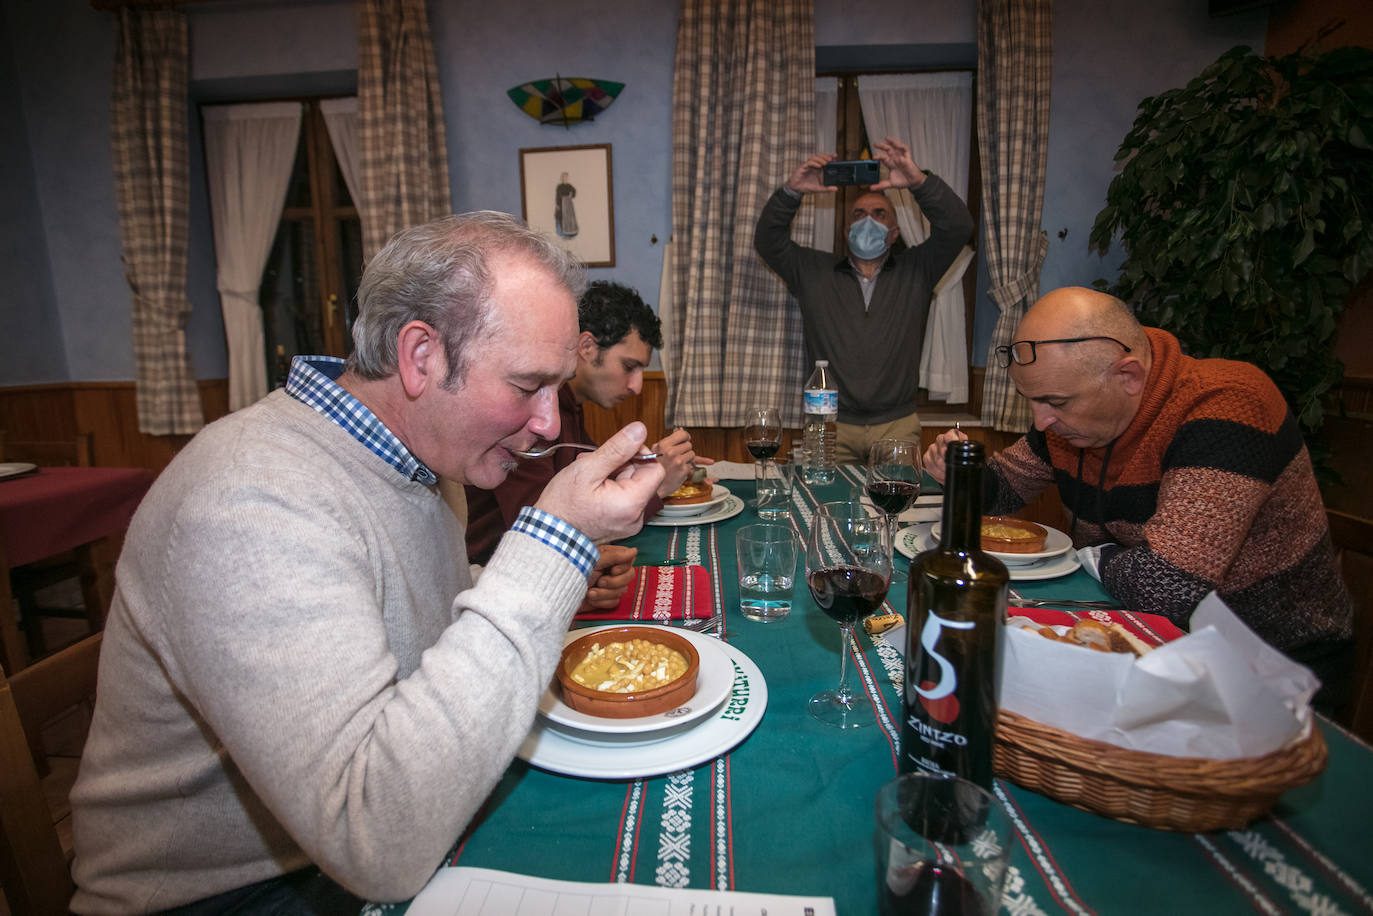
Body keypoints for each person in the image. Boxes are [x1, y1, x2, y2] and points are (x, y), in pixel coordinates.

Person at [69, 213, 665, 913]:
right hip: (238, 893)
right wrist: (553, 542)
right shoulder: (248, 500)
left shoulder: (420, 451)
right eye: (526, 385)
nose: (546, 422)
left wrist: (529, 580)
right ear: (421, 357)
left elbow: (389, 602)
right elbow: (375, 844)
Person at [923, 286, 1354, 709]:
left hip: (1275, 667)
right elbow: (1002, 491)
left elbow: (1164, 585)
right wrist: (961, 476)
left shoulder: (1227, 404)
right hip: (1157, 640)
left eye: (1055, 401)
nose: (1042, 420)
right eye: (1032, 400)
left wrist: (1090, 556)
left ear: (1128, 376)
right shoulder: (1071, 419)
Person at [465, 281, 708, 592]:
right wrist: (657, 484)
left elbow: (591, 474)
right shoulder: (533, 412)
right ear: (587, 347)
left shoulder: (572, 405)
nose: (637, 386)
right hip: (499, 578)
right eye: (629, 367)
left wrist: (652, 462)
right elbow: (539, 526)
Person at [754, 136, 974, 463]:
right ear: (847, 231)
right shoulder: (813, 271)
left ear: (895, 231)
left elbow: (958, 227)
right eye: (858, 214)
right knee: (823, 508)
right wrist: (792, 191)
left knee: (896, 512)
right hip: (829, 426)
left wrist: (917, 181)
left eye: (879, 214)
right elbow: (768, 241)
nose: (868, 220)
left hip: (896, 426)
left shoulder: (918, 269)